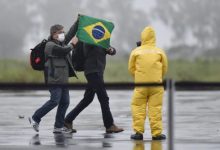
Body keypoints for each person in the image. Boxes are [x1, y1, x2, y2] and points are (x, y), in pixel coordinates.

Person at [29, 20, 79, 134]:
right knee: (54, 101)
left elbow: (71, 33)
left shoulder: (60, 42)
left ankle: (58, 126)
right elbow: (64, 51)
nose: (63, 34)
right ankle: (35, 118)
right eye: (61, 32)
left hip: (63, 79)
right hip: (54, 79)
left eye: (63, 32)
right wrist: (73, 44)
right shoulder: (50, 45)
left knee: (65, 102)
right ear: (54, 34)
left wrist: (78, 22)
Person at [64, 41, 124, 133]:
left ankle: (68, 120)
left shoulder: (100, 38)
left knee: (87, 99)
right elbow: (87, 51)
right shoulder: (87, 39)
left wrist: (111, 50)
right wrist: (100, 44)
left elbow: (112, 50)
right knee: (104, 98)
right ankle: (109, 125)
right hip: (93, 71)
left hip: (97, 71)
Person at [128, 26, 168, 140]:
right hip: (156, 85)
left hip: (140, 85)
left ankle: (138, 133)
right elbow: (164, 68)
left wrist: (138, 77)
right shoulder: (160, 51)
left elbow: (131, 68)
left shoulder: (136, 51)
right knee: (155, 108)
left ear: (143, 37)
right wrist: (158, 77)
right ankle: (156, 134)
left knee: (138, 107)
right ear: (154, 38)